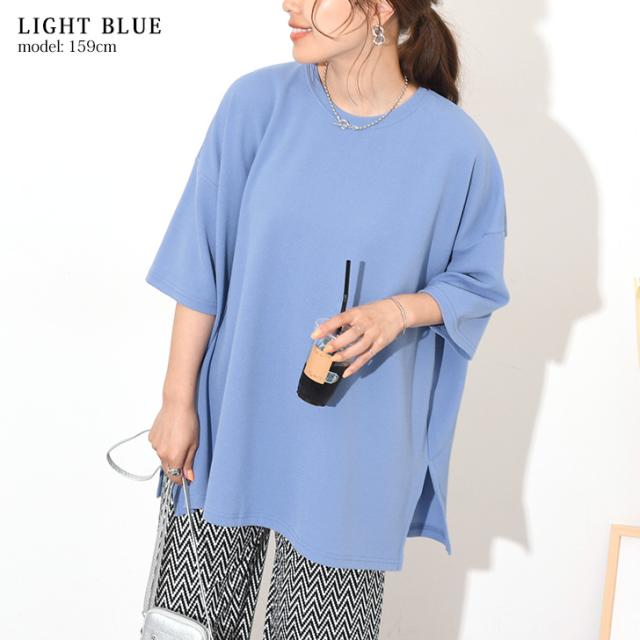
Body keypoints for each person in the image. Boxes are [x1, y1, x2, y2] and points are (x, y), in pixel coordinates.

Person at [144, 0, 511, 638]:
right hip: (231, 423)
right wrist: (177, 402)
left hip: (354, 447)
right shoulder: (256, 105)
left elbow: (476, 282)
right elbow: (200, 260)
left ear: (381, 8)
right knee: (180, 628)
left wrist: (398, 312)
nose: (289, 5)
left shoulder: (456, 147)